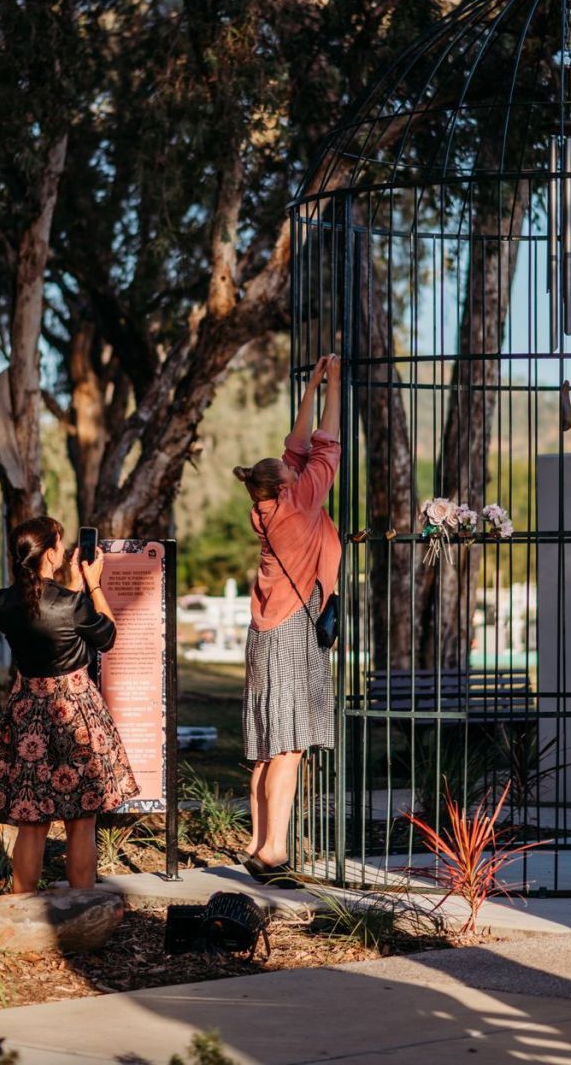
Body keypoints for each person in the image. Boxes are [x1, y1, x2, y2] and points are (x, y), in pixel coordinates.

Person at [0, 516, 139, 892]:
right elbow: (107, 636)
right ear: (50, 553)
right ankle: (81, 910)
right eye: (60, 545)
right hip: (73, 711)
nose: (64, 551)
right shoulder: (72, 604)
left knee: (31, 822)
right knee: (81, 820)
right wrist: (93, 585)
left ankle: (22, 909)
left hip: (27, 710)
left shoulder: (4, 602)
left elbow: (43, 613)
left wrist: (74, 591)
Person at [233, 353, 341, 885]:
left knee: (268, 744)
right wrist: (336, 388)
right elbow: (327, 446)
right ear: (287, 486)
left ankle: (257, 841)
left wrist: (313, 384)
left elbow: (296, 446)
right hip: (293, 630)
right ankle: (275, 848)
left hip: (264, 631)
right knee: (288, 746)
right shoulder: (299, 507)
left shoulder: (268, 506)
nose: (298, 468)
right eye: (293, 473)